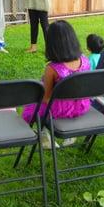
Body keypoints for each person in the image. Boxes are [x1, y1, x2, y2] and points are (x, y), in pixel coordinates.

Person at [22, 20, 91, 149]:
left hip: (59, 109)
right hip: (81, 105)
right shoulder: (85, 60)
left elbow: (47, 98)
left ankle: (43, 134)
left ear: (52, 44)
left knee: (33, 106)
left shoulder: (52, 69)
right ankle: (71, 132)